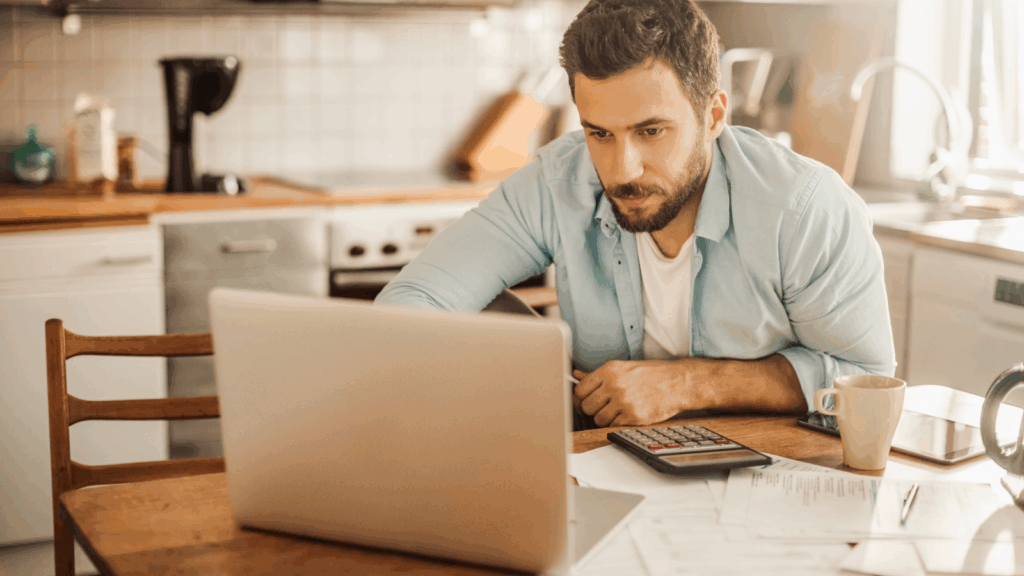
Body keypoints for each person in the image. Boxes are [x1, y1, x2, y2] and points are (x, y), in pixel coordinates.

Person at [376, 0, 895, 429]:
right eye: (599, 133)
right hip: (604, 467)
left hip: (770, 476)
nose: (622, 170)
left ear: (713, 115)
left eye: (651, 131)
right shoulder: (557, 182)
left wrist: (688, 383)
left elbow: (865, 376)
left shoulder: (804, 208)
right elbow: (412, 302)